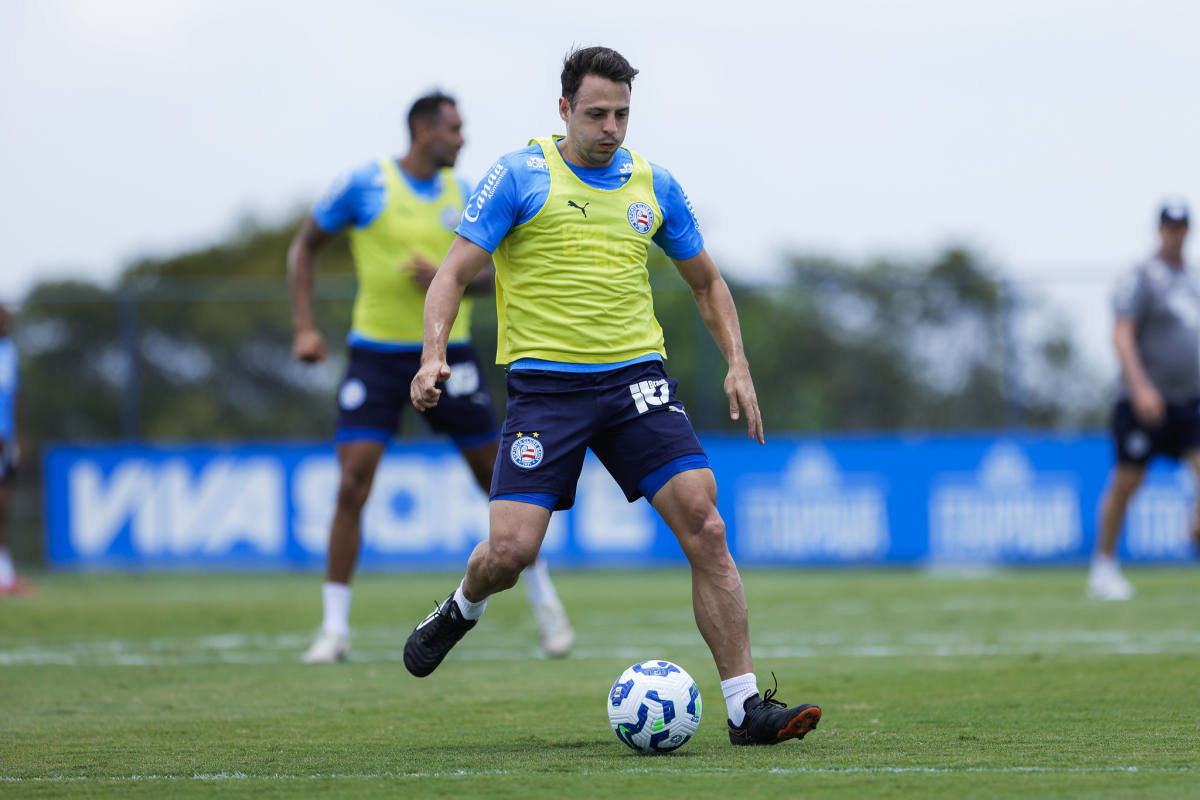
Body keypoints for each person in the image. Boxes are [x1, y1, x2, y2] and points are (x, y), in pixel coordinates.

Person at [402, 46, 821, 747]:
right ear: (564, 109)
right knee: (510, 553)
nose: (611, 128)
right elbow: (449, 276)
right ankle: (462, 607)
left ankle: (746, 708)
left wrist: (738, 363)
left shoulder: (654, 184)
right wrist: (433, 354)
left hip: (636, 382)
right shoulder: (518, 175)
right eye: (596, 114)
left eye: (622, 114)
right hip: (546, 391)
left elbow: (707, 283)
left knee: (706, 525)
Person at [288, 92, 574, 663]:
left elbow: (500, 270)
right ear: (422, 130)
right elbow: (304, 247)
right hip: (375, 355)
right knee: (351, 485)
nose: (463, 139)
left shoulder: (470, 195)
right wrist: (304, 327)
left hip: (450, 356)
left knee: (505, 488)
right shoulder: (365, 186)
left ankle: (549, 613)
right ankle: (334, 630)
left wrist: (452, 279)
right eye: (454, 129)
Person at [1089, 199, 1197, 601]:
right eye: (1169, 226)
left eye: (1182, 226)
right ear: (1159, 230)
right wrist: (1140, 387)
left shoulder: (1193, 280)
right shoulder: (1142, 277)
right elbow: (1122, 334)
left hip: (1189, 400)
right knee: (1128, 480)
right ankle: (1103, 566)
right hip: (1144, 401)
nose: (1176, 232)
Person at [0, 304, 30, 597]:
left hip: (5, 440)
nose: (7, 321)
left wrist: (18, 435)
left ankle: (5, 574)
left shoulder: (9, 352)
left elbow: (13, 396)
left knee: (4, 506)